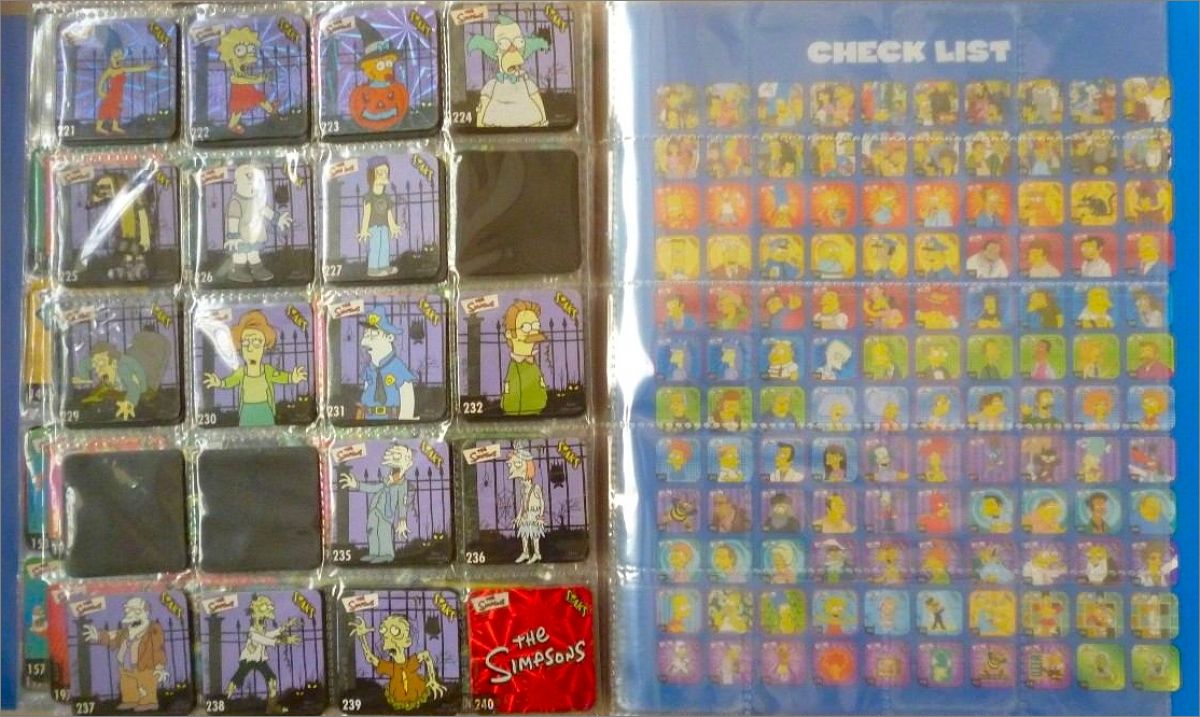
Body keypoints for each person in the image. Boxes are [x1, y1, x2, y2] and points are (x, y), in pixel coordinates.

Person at [203, 310, 308, 427]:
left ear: (265, 346)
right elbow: (230, 381)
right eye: (246, 342)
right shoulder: (241, 372)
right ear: (240, 347)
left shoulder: (267, 371)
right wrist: (219, 383)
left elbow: (280, 376)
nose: (250, 348)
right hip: (246, 412)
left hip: (265, 410)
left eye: (256, 342)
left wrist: (292, 377)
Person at [82, 597, 168, 712]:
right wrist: (98, 636)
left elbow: (158, 650)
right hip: (125, 667)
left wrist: (160, 667)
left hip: (144, 666)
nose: (131, 613)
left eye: (135, 610)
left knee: (146, 685)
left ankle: (149, 702)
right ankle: (130, 700)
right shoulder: (126, 631)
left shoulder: (153, 630)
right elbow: (113, 636)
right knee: (128, 685)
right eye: (128, 610)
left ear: (145, 612)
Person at [348, 614, 446, 712]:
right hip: (398, 699)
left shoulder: (411, 663)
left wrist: (432, 680)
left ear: (407, 641)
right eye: (386, 636)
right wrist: (362, 637)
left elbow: (426, 655)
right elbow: (370, 658)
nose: (390, 638)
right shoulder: (390, 668)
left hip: (418, 694)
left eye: (396, 633)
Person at [468, 15, 550, 128]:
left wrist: (543, 121)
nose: (512, 48)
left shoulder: (526, 82)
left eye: (517, 42)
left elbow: (536, 98)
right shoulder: (492, 85)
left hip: (529, 125)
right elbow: (484, 103)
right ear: (496, 52)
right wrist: (480, 125)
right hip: (495, 127)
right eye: (504, 43)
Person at [339, 443, 415, 563]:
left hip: (386, 513)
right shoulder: (387, 480)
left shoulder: (402, 484)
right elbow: (374, 488)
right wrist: (357, 485)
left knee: (383, 532)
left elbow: (402, 502)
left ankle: (387, 554)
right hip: (374, 510)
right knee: (372, 530)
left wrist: (402, 519)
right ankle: (374, 553)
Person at [225, 595, 300, 713]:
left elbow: (271, 634)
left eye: (263, 622)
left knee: (272, 681)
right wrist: (286, 640)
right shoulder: (252, 633)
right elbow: (266, 640)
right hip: (248, 660)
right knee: (236, 680)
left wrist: (287, 625)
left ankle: (272, 707)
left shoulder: (261, 631)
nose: (263, 625)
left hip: (260, 660)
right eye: (260, 622)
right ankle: (225, 702)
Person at [224, 164, 292, 283]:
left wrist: (278, 219)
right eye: (247, 184)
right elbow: (233, 221)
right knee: (241, 255)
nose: (252, 188)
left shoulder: (257, 200)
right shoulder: (236, 202)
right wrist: (233, 237)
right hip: (240, 236)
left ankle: (257, 269)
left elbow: (265, 210)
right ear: (236, 184)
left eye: (255, 185)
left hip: (254, 235)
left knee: (253, 253)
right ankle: (238, 271)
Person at [357, 307, 416, 420]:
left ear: (389, 337)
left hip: (392, 419)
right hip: (369, 420)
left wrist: (403, 424)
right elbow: (366, 392)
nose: (366, 341)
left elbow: (407, 401)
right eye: (366, 335)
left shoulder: (399, 368)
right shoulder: (369, 369)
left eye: (373, 335)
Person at [358, 158, 404, 277]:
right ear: (371, 176)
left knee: (385, 247)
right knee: (375, 247)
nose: (384, 175)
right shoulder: (369, 197)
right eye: (380, 173)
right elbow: (366, 214)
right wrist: (364, 230)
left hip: (384, 227)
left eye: (386, 172)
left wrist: (393, 226)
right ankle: (373, 269)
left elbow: (389, 214)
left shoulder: (386, 197)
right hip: (374, 228)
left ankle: (384, 266)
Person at [509, 447, 546, 564]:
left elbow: (541, 502)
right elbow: (522, 504)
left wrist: (540, 515)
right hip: (526, 514)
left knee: (535, 535)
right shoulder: (523, 490)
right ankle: (525, 553)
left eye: (523, 480)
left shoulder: (536, 488)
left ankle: (537, 554)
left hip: (534, 514)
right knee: (524, 534)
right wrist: (518, 516)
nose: (521, 482)